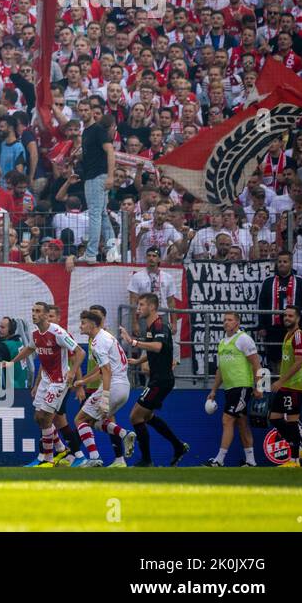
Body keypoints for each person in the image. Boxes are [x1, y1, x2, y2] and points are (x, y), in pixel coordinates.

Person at [6, 301, 85, 468]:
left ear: (46, 314)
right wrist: (12, 362)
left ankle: (48, 459)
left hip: (59, 381)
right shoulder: (35, 334)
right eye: (33, 310)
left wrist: (72, 373)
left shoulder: (58, 332)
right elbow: (29, 349)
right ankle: (61, 449)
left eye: (38, 311)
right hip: (46, 380)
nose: (34, 314)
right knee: (38, 418)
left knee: (46, 418)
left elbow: (80, 352)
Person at [121, 293, 190, 467]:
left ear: (152, 307)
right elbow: (156, 349)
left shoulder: (160, 325)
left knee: (135, 417)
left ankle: (146, 460)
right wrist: (139, 360)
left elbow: (158, 347)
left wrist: (133, 342)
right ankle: (178, 446)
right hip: (158, 379)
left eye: (142, 305)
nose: (138, 309)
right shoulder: (152, 326)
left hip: (161, 380)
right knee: (148, 416)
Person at [66, 309, 136, 468]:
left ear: (92, 325)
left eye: (83, 323)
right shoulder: (106, 336)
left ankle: (94, 458)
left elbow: (107, 372)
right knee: (94, 422)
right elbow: (101, 369)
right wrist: (83, 381)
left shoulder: (98, 342)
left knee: (79, 419)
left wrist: (104, 398)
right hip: (124, 388)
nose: (80, 326)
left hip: (113, 386)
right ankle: (123, 434)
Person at [205, 311, 262, 467]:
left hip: (242, 387)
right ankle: (251, 461)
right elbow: (220, 370)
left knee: (227, 420)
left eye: (230, 320)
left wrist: (259, 387)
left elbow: (256, 364)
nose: (226, 322)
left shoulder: (244, 339)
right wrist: (214, 390)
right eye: (224, 320)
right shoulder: (223, 342)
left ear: (237, 322)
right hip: (229, 389)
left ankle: (219, 460)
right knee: (241, 423)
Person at [255, 252, 302, 369]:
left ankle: (288, 384)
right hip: (272, 329)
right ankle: (277, 383)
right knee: (274, 359)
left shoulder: (301, 281)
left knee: (293, 358)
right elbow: (260, 304)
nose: (282, 264)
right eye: (280, 261)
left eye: (285, 262)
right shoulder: (268, 282)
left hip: (295, 328)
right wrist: (260, 326)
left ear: (291, 263)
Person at [268, 306, 302, 468]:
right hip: (286, 386)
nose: (287, 317)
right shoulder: (287, 335)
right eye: (285, 315)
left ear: (297, 318)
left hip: (294, 387)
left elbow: (298, 363)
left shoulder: (299, 336)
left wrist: (280, 381)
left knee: (292, 421)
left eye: (290, 315)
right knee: (274, 418)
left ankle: (294, 460)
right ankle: (297, 447)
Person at [76, 111, 115, 263]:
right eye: (82, 110)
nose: (84, 112)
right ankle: (113, 252)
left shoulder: (97, 129)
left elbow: (110, 150)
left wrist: (111, 176)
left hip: (96, 177)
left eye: (86, 110)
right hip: (94, 176)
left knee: (95, 214)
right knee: (102, 214)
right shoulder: (86, 132)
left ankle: (91, 252)